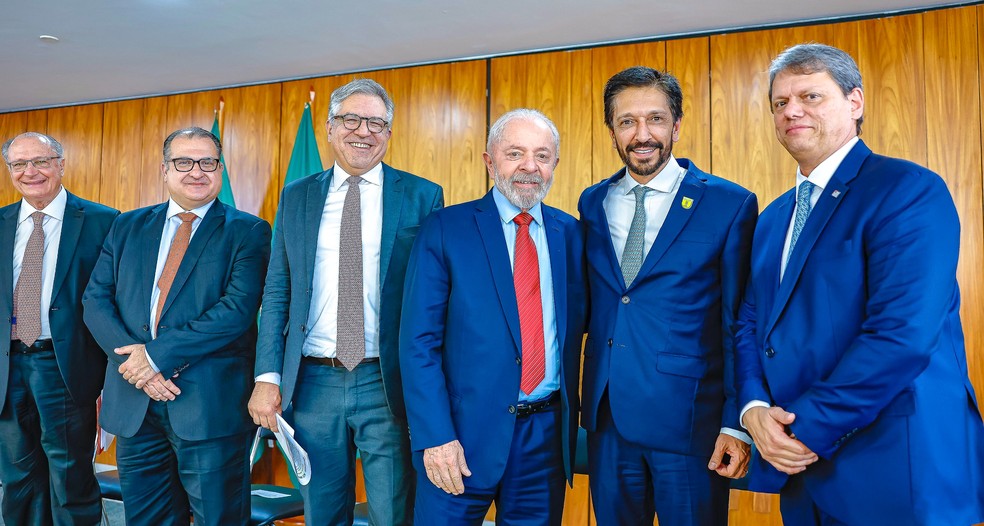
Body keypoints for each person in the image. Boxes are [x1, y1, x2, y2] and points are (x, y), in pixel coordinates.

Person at [736, 43, 984, 525]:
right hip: (801, 470)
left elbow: (901, 335)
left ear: (855, 103)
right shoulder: (772, 219)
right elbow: (750, 321)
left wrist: (799, 431)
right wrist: (753, 409)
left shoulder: (908, 189)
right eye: (780, 103)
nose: (792, 111)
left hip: (893, 465)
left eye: (810, 96)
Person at [248, 78, 443, 525]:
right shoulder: (297, 196)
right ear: (331, 128)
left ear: (389, 134)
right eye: (351, 119)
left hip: (385, 380)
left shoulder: (421, 195)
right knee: (323, 511)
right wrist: (267, 376)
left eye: (377, 122)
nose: (364, 131)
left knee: (393, 510)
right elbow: (278, 290)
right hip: (313, 382)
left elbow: (432, 294)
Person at [578, 67, 756, 525]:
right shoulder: (592, 203)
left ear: (676, 126)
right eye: (627, 121)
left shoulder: (729, 203)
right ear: (612, 131)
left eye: (655, 119)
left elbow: (738, 323)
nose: (643, 134)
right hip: (608, 419)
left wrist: (735, 423)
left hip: (690, 423)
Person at [401, 109, 586, 525]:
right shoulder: (446, 228)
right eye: (515, 153)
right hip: (459, 440)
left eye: (542, 155)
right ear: (489, 160)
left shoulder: (570, 234)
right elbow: (418, 344)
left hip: (544, 440)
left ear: (555, 164)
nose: (529, 167)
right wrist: (436, 437)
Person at [82, 126, 271, 526]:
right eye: (183, 162)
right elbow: (95, 301)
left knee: (217, 518)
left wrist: (153, 357)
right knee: (146, 518)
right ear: (165, 170)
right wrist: (137, 367)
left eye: (207, 162)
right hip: (134, 403)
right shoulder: (127, 225)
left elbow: (235, 311)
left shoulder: (248, 231)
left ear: (220, 169)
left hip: (208, 406)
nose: (196, 171)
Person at [0, 133, 117, 525]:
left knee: (71, 477)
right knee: (17, 477)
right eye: (19, 164)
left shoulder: (104, 221)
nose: (30, 171)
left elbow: (112, 300)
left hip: (66, 366)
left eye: (41, 161)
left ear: (61, 164)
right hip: (7, 368)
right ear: (9, 171)